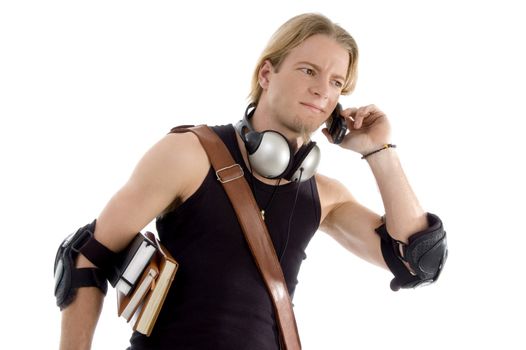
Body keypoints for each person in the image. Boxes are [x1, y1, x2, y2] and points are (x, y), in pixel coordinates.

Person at [56, 12, 447, 350]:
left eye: (335, 82)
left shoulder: (324, 196)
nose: (321, 90)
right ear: (266, 73)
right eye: (309, 71)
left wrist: (379, 150)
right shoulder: (189, 155)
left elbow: (417, 259)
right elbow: (85, 258)